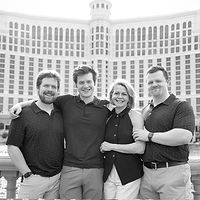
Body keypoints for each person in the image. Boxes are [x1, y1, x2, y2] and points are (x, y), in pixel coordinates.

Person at [9, 65, 111, 200]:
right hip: (69, 168)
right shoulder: (66, 102)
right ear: (76, 85)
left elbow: (124, 110)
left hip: (95, 169)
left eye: (88, 82)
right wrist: (20, 105)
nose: (85, 85)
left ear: (94, 83)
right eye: (81, 82)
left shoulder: (106, 106)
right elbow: (44, 99)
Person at [133, 66, 195, 200]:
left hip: (173, 172)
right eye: (150, 82)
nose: (154, 84)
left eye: (158, 81)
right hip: (147, 174)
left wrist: (149, 136)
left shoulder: (181, 106)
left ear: (167, 82)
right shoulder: (145, 110)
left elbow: (184, 136)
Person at [6, 70, 64, 199]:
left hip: (57, 179)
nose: (50, 90)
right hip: (33, 180)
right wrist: (27, 173)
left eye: (53, 87)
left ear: (58, 91)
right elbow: (12, 146)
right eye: (46, 86)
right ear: (38, 87)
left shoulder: (62, 112)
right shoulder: (23, 114)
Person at [100, 79, 145, 200]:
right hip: (108, 174)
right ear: (111, 96)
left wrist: (111, 146)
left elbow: (140, 148)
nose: (120, 97)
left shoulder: (135, 116)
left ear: (129, 98)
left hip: (129, 174)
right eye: (116, 93)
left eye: (124, 94)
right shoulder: (107, 117)